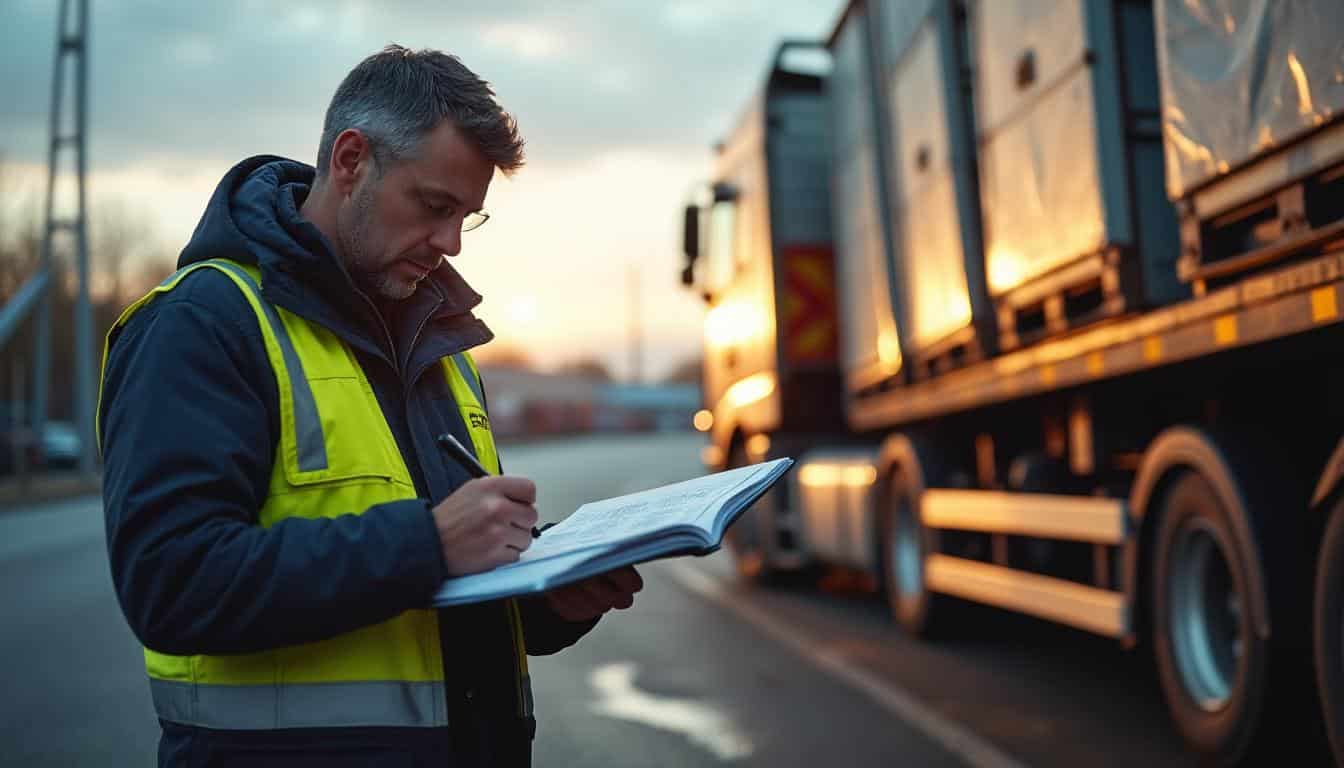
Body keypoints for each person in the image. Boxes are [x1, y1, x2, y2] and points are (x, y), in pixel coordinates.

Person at [98, 44, 643, 767]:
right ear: (351, 161)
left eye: (467, 218)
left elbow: (446, 589)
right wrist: (427, 543)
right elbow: (171, 582)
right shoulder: (203, 323)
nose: (449, 244)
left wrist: (547, 599)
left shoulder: (442, 351)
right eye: (435, 206)